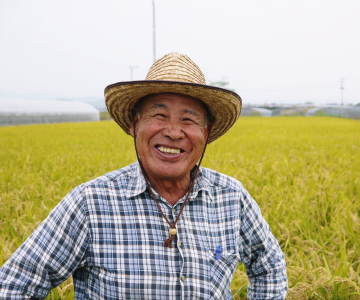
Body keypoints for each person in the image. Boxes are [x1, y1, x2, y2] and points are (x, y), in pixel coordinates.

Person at [0, 53, 287, 299]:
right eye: (159, 116)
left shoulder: (231, 197)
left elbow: (269, 265)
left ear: (206, 133)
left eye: (188, 119)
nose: (174, 132)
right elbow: (14, 286)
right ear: (134, 125)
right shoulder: (91, 203)